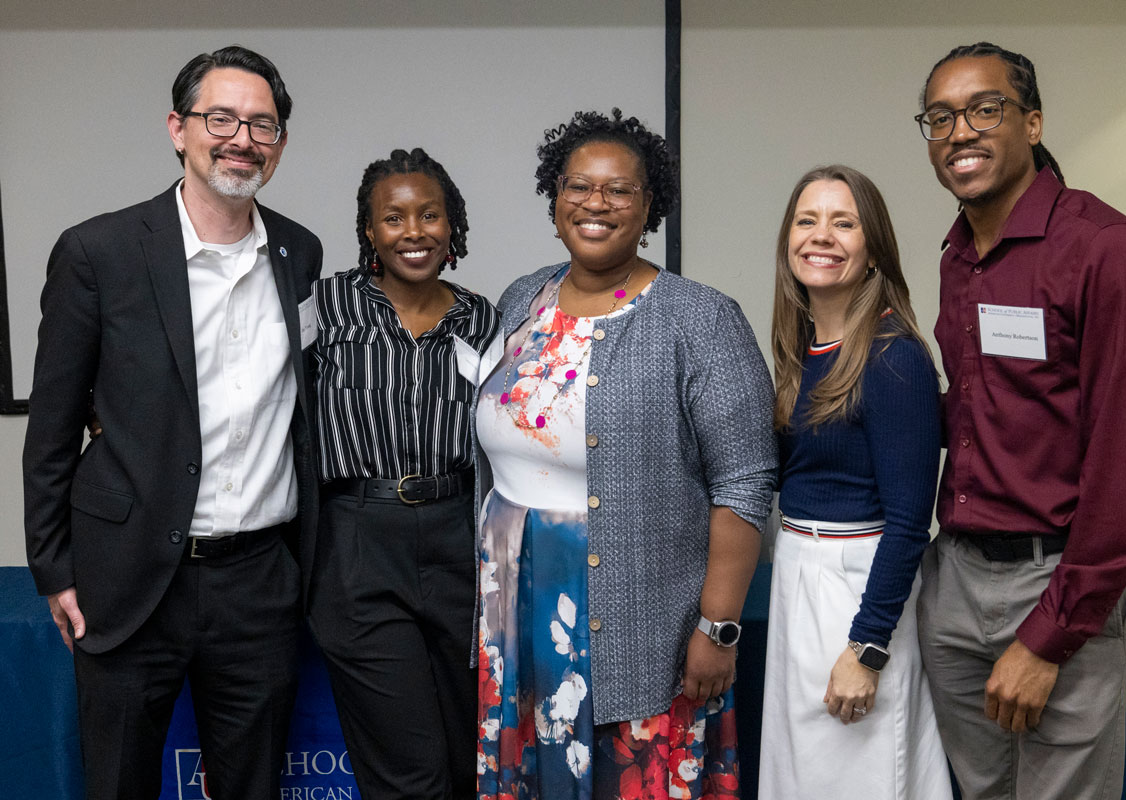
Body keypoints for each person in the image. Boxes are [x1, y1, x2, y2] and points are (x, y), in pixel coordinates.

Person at [22, 46, 321, 799]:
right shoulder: (99, 253)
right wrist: (54, 567)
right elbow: (52, 428)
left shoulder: (299, 254)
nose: (241, 139)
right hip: (126, 579)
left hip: (258, 583)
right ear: (178, 129)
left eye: (263, 124)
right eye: (220, 118)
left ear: (280, 144)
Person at [473, 108, 776, 799]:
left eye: (620, 190)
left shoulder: (699, 317)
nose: (596, 204)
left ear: (650, 208)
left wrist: (718, 628)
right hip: (520, 606)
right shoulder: (526, 297)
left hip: (645, 620)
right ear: (555, 201)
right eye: (578, 187)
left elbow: (745, 483)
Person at [914, 42, 1126, 800]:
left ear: (1032, 123)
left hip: (1058, 580)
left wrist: (1052, 635)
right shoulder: (958, 255)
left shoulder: (1108, 251)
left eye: (984, 109)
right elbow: (978, 411)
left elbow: (1123, 464)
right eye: (939, 117)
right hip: (955, 579)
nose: (959, 131)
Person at [307, 148, 499, 800]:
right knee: (408, 772)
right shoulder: (324, 306)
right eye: (394, 218)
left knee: (466, 758)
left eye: (429, 215)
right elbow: (252, 384)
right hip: (359, 541)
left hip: (461, 547)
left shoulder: (484, 319)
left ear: (453, 226)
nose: (413, 231)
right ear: (369, 230)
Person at [757, 165, 951, 799]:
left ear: (874, 250)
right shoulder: (800, 349)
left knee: (856, 779)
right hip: (797, 572)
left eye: (845, 223)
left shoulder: (894, 357)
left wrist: (866, 648)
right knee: (802, 778)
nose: (822, 236)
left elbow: (908, 524)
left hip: (855, 587)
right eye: (807, 220)